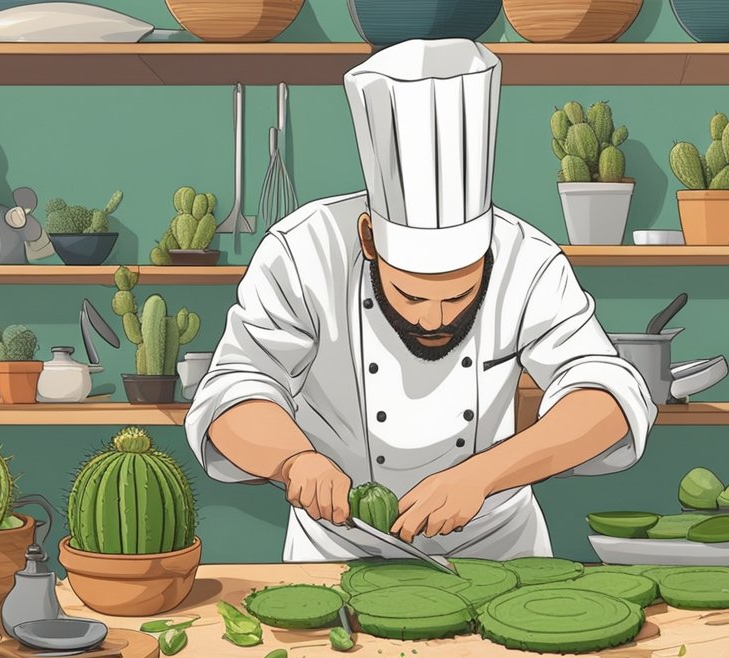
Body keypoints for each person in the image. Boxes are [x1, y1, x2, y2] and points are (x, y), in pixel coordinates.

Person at [184, 38, 656, 562]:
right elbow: (234, 390)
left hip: (494, 548)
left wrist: (483, 474)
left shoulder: (529, 259)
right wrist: (295, 460)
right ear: (369, 241)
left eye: (460, 294)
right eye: (410, 294)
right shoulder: (303, 252)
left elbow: (607, 394)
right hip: (338, 550)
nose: (435, 318)